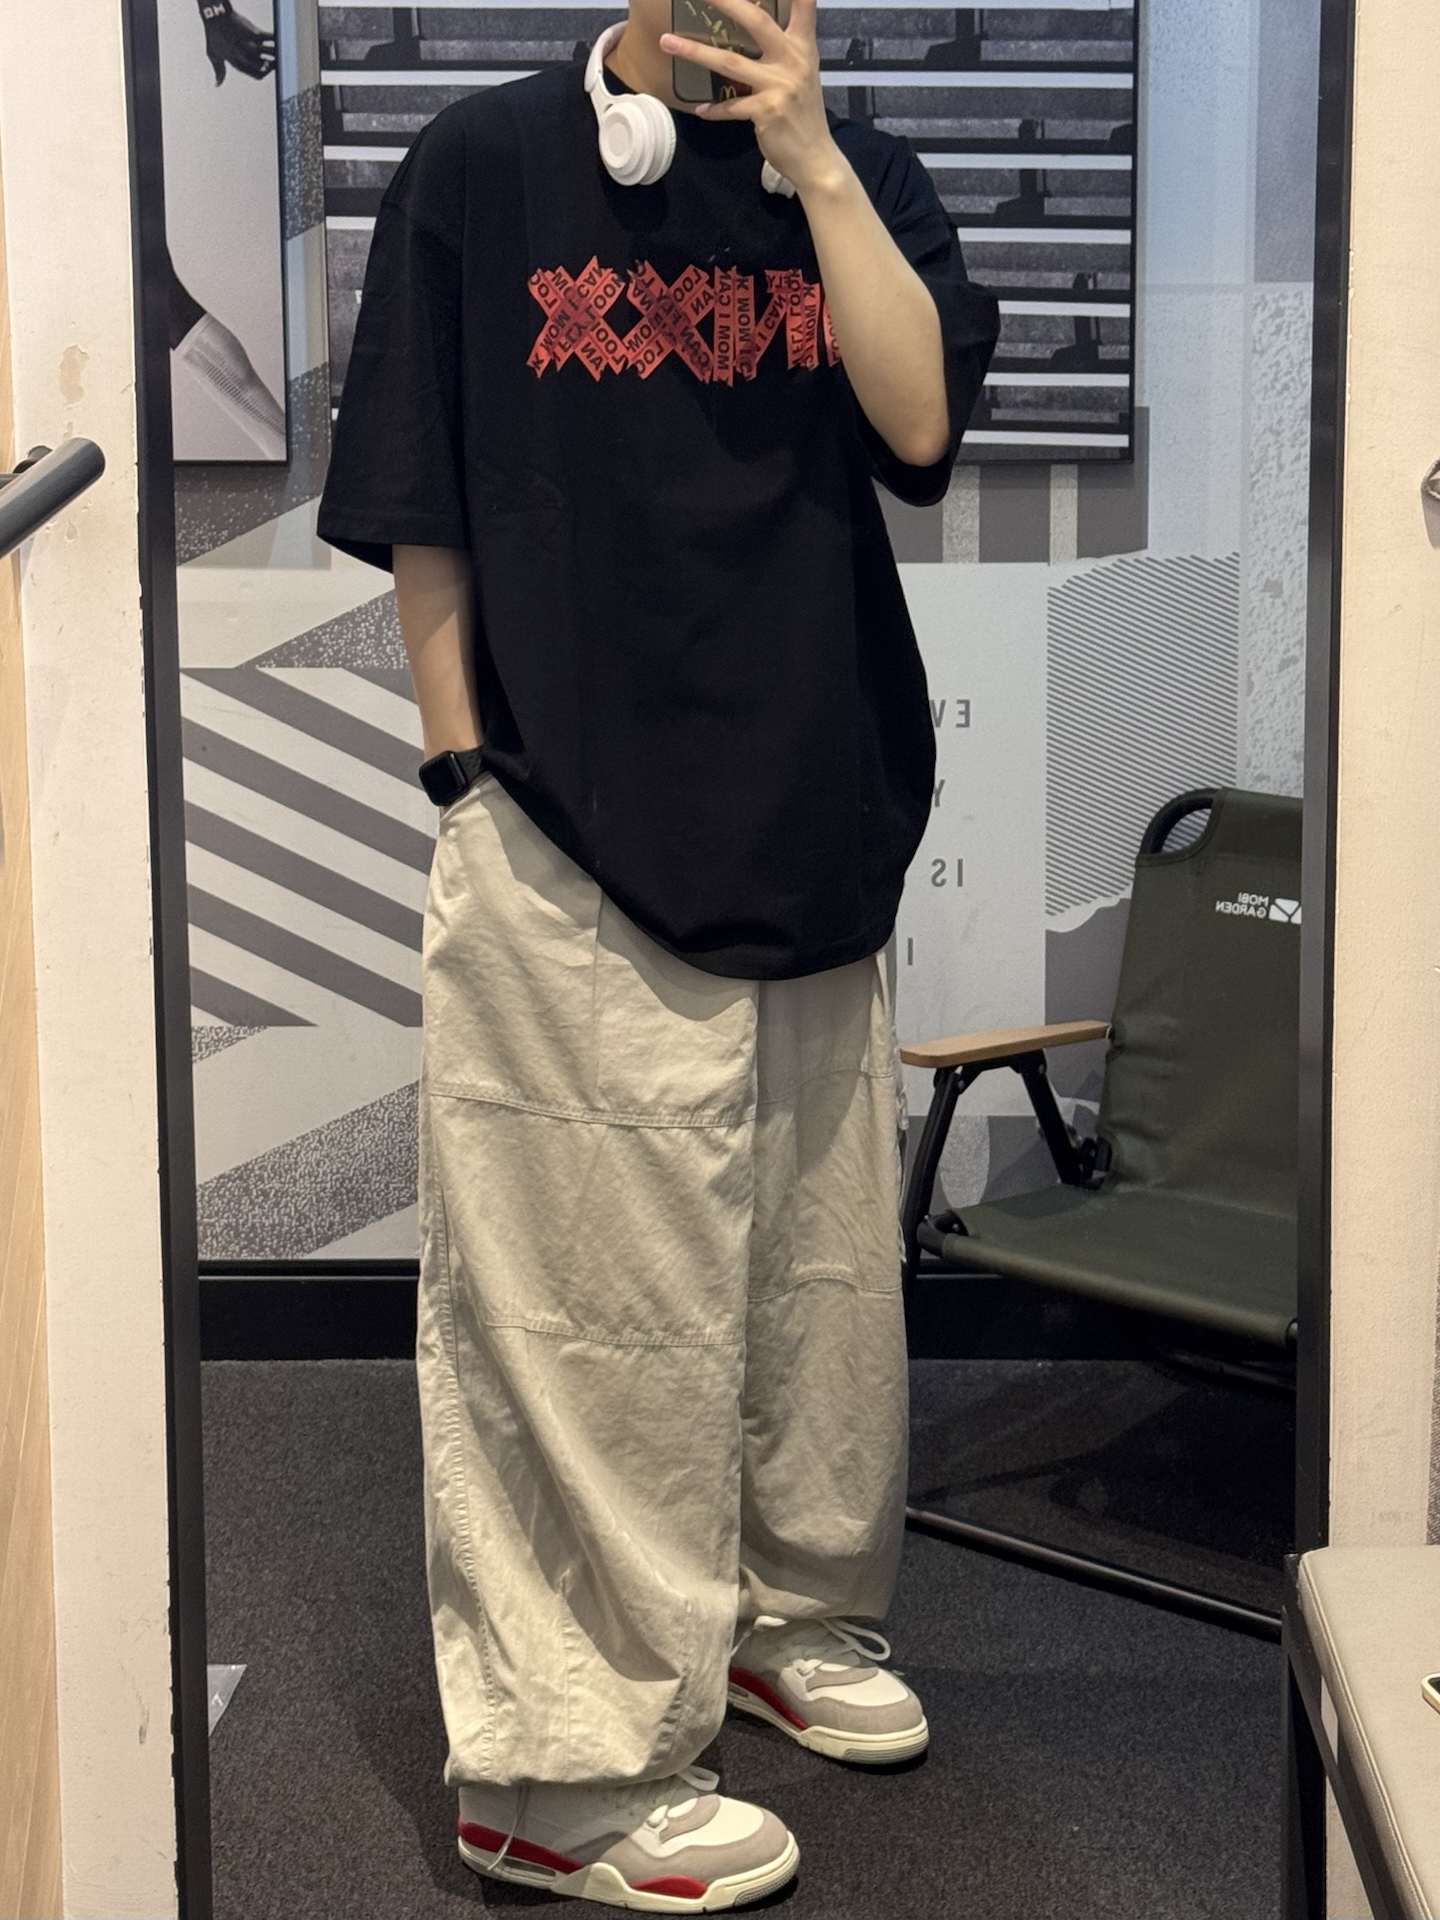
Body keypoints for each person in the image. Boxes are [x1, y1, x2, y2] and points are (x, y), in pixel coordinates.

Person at [316, 0, 997, 1906]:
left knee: (816, 1288)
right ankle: (557, 1769)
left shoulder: (862, 177)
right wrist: (462, 770)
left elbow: (919, 426)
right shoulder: (481, 170)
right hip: (565, 829)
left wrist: (816, 162)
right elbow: (421, 505)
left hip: (818, 812)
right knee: (583, 1317)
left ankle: (778, 1615)